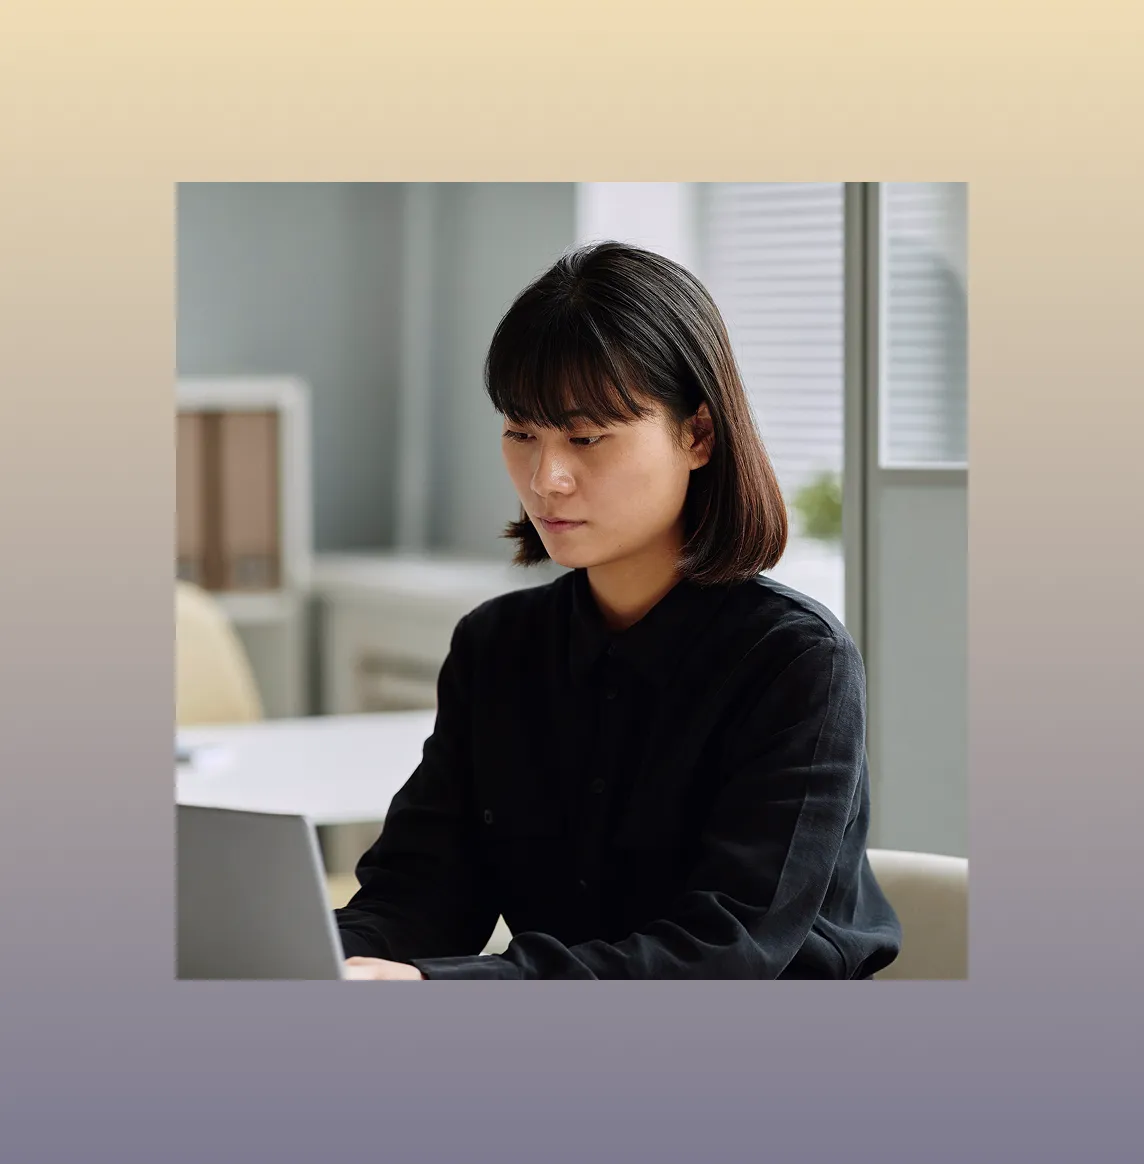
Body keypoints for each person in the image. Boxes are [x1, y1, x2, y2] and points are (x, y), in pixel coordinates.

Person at [336, 240, 901, 980]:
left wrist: (445, 985)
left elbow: (723, 950)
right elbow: (420, 894)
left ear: (697, 435)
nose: (547, 478)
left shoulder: (795, 663)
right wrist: (312, 955)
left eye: (586, 436)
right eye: (520, 433)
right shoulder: (495, 648)